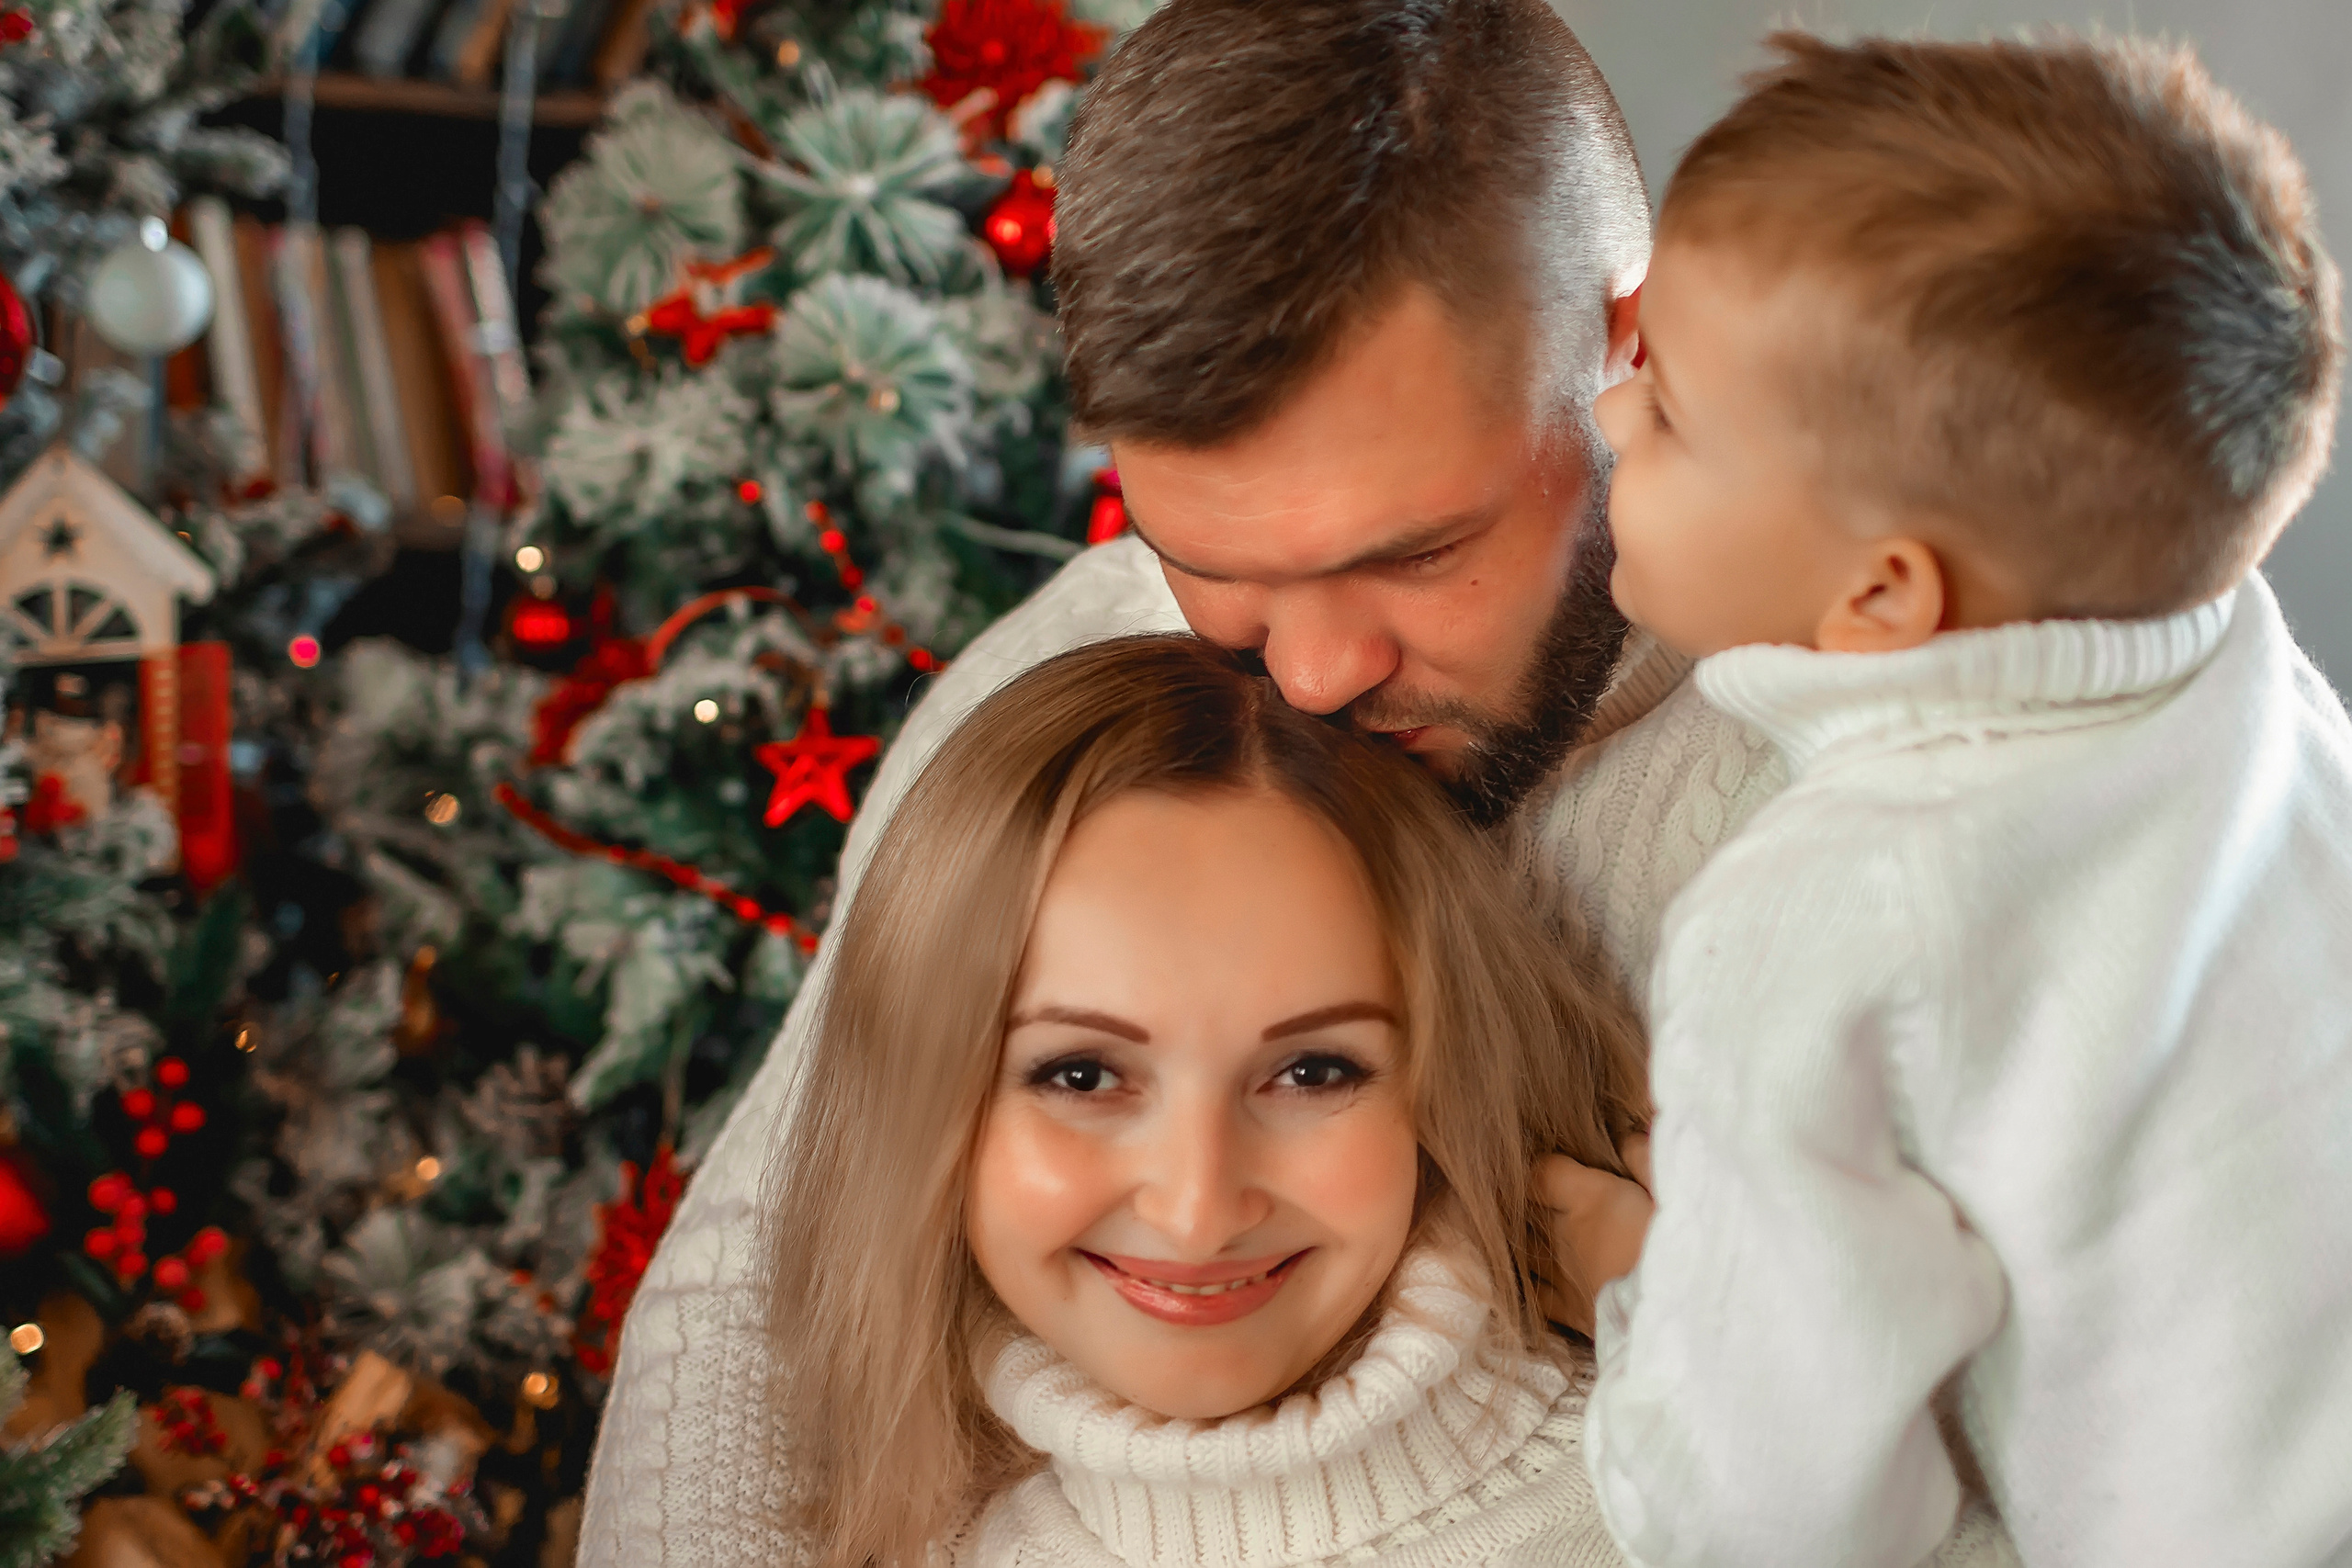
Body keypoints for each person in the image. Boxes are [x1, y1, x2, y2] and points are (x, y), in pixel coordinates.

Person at [580, 5, 1781, 1561]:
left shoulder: (1872, 765)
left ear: (1636, 340)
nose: (1316, 674)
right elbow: (761, 1286)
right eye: (1211, 561)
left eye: (1419, 553)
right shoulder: (1072, 664)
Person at [1570, 33, 2352, 1568]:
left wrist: (1633, 1281)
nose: (1607, 417)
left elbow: (1778, 1510)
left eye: (1668, 407)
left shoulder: (1825, 901)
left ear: (1881, 595)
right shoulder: (2251, 676)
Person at [763, 633, 1649, 1564]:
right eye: (1082, 1075)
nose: (1197, 1212)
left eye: (1312, 1072)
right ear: (919, 1102)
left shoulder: (1700, 1494)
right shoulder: (901, 1538)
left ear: (1445, 1079)